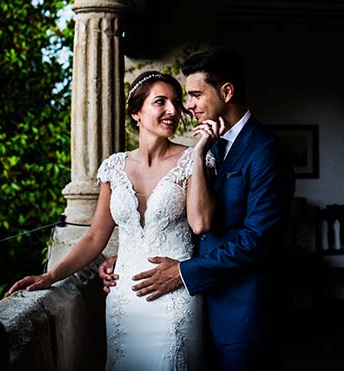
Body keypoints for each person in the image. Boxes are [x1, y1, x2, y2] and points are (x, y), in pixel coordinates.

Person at [7, 70, 223, 370]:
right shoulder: (113, 167)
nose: (173, 111)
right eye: (160, 102)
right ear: (136, 112)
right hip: (124, 299)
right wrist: (50, 277)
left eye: (176, 102)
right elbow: (96, 237)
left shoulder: (194, 160)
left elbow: (201, 224)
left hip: (175, 295)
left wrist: (199, 154)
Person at [100, 46, 294, 371]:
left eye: (194, 96)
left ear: (227, 91)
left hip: (241, 317)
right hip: (197, 307)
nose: (186, 106)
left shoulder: (266, 151)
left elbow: (258, 239)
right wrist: (127, 254)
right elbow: (188, 219)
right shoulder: (211, 146)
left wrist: (183, 272)